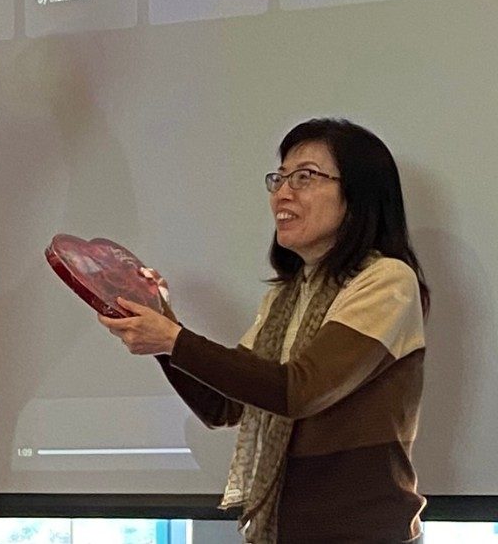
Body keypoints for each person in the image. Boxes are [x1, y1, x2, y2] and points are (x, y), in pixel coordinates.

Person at [98, 119, 428, 543]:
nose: (282, 193)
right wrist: (162, 328)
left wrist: (172, 339)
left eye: (305, 177)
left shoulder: (386, 280)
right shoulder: (287, 296)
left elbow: (298, 391)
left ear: (359, 195)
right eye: (280, 178)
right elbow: (222, 407)